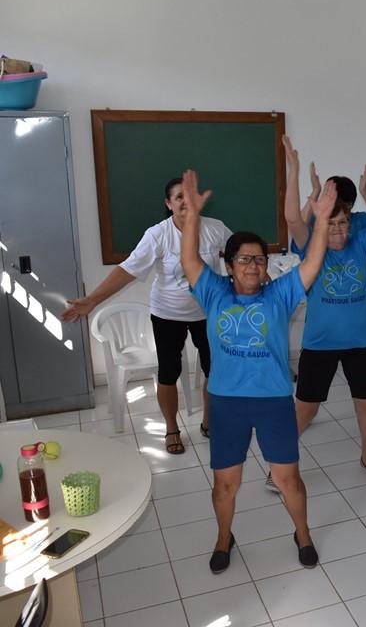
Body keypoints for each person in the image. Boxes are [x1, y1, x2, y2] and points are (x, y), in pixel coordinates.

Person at [180, 169, 336, 573]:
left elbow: (314, 261)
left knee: (288, 481)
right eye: (244, 259)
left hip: (273, 402)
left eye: (259, 259)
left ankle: (302, 533)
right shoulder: (213, 291)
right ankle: (223, 537)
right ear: (229, 265)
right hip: (227, 403)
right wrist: (193, 216)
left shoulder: (280, 295)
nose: (253, 266)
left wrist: (319, 222)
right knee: (225, 485)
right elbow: (188, 258)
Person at [63, 177, 232, 451]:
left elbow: (239, 254)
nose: (185, 202)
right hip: (169, 314)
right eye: (178, 197)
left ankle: (209, 422)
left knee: (216, 370)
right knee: (168, 372)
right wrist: (92, 299)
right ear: (169, 204)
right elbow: (127, 270)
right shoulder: (158, 235)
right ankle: (172, 428)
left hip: (208, 312)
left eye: (190, 196)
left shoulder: (215, 229)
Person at [282, 136, 366, 486]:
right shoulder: (312, 248)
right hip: (319, 343)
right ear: (322, 225)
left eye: (343, 223)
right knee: (305, 410)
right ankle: (283, 465)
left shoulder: (362, 244)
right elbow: (292, 217)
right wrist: (295, 170)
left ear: (351, 222)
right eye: (331, 224)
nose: (338, 230)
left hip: (360, 343)